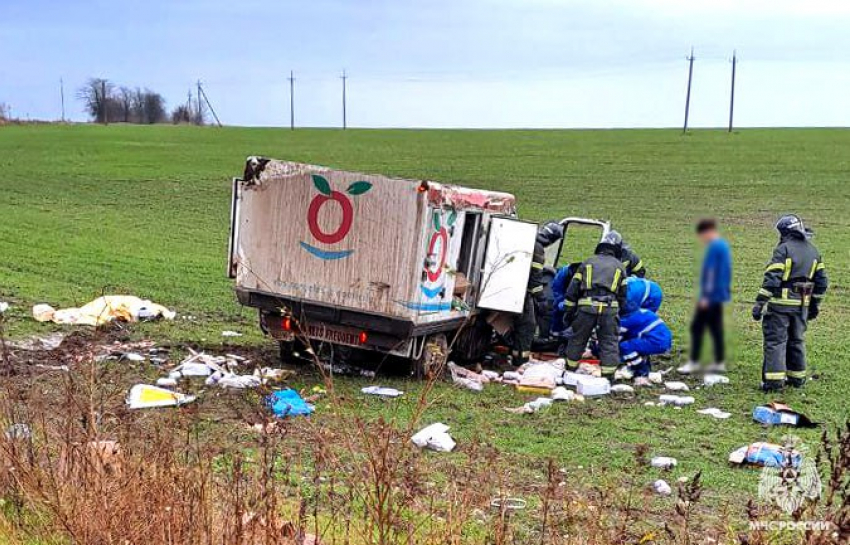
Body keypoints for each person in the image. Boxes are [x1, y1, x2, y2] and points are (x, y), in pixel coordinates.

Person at [752, 214, 828, 391]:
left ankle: (773, 382)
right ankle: (797, 378)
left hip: (780, 305)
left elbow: (772, 279)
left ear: (786, 232)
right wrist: (814, 305)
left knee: (776, 342)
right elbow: (822, 282)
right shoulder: (813, 251)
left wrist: (759, 303)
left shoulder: (783, 250)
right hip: (802, 306)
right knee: (796, 341)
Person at [561, 231, 627, 377]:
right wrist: (617, 310)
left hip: (586, 307)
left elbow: (573, 289)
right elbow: (623, 294)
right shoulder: (620, 267)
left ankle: (570, 372)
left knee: (578, 339)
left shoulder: (588, 262)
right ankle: (608, 377)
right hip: (610, 309)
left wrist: (568, 311)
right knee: (609, 342)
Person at [678, 218, 732, 375]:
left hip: (711, 297)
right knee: (716, 328)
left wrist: (706, 297)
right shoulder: (722, 246)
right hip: (719, 295)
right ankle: (719, 361)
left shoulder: (715, 247)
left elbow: (711, 273)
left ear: (708, 232)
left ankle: (694, 362)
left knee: (697, 327)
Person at [511, 221, 563, 365]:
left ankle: (515, 355)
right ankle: (521, 360)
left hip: (512, 288)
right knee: (528, 325)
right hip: (522, 293)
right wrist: (541, 300)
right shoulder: (538, 249)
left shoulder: (527, 241)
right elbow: (534, 280)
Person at [618, 307, 673, 386]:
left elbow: (614, 342)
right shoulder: (639, 311)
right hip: (662, 338)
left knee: (625, 347)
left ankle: (641, 373)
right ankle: (644, 367)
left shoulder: (624, 320)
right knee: (636, 345)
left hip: (656, 341)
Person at [549, 262, 580, 337]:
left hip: (577, 296)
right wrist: (562, 303)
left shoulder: (585, 275)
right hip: (562, 293)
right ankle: (555, 331)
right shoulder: (563, 273)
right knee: (558, 308)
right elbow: (557, 290)